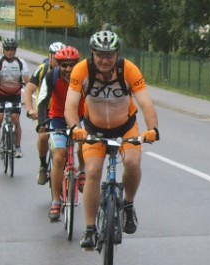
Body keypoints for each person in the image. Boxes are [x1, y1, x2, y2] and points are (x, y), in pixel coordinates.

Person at [63, 30, 159, 249]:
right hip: (93, 129)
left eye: (110, 55)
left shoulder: (128, 69)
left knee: (133, 163)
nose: (105, 60)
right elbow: (70, 105)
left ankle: (127, 205)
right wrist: (74, 127)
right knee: (93, 171)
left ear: (117, 54)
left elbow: (145, 103)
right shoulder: (82, 69)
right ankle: (89, 230)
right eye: (100, 55)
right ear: (92, 53)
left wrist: (152, 128)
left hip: (125, 127)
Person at [29, 46, 85, 221]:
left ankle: (82, 171)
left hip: (79, 117)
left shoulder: (85, 77)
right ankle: (55, 201)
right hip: (58, 118)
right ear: (58, 65)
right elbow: (43, 100)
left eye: (71, 65)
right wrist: (43, 123)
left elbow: (92, 98)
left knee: (84, 143)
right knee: (59, 156)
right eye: (64, 65)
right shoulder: (51, 76)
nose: (68, 69)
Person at [23, 41, 65, 185]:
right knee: (43, 136)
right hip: (45, 110)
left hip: (63, 111)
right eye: (56, 57)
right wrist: (30, 109)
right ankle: (43, 165)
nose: (59, 61)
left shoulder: (69, 71)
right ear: (50, 56)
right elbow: (28, 91)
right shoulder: (42, 70)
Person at [0, 38, 30, 157]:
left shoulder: (20, 63)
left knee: (15, 119)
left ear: (15, 51)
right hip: (0, 94)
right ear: (4, 50)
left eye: (12, 49)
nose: (10, 52)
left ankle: (17, 147)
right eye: (7, 49)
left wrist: (28, 100)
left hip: (15, 95)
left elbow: (28, 84)